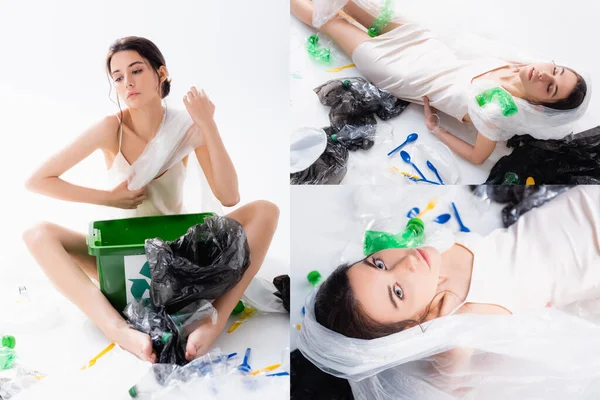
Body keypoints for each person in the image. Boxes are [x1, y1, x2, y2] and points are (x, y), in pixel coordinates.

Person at [22, 36, 279, 363]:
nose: (127, 82)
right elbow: (37, 181)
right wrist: (110, 199)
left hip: (181, 263)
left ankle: (209, 321)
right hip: (123, 264)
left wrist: (208, 124)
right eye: (117, 77)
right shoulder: (109, 129)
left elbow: (229, 196)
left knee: (266, 211)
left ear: (161, 73)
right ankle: (118, 330)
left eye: (136, 70)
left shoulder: (185, 128)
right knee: (36, 233)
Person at [291, 0, 590, 164]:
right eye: (557, 70)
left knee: (333, 21)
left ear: (539, 105)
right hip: (422, 43)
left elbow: (478, 157)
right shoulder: (517, 64)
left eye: (550, 87)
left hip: (399, 70)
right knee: (352, 3)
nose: (546, 74)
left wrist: (437, 129)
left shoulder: (498, 112)